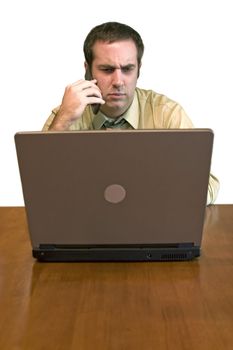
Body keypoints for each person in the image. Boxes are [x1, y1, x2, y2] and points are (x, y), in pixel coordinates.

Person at [43, 21, 219, 205]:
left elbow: (206, 186)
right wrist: (63, 121)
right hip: (86, 226)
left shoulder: (167, 114)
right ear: (87, 70)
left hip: (153, 226)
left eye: (127, 69)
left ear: (139, 69)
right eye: (107, 69)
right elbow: (39, 187)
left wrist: (149, 198)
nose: (118, 81)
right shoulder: (66, 115)